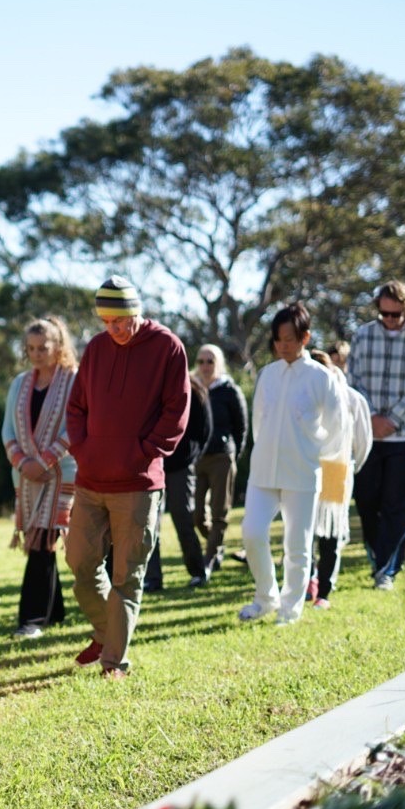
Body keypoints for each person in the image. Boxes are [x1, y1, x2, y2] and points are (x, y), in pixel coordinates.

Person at [64, 276, 189, 679]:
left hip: (138, 483)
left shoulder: (168, 347)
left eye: (120, 320)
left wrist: (144, 453)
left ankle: (114, 660)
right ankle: (107, 631)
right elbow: (77, 406)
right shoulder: (97, 348)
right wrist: (83, 449)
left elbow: (177, 411)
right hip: (91, 479)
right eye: (106, 321)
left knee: (127, 575)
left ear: (136, 311)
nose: (113, 329)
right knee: (80, 564)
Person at [239, 303, 341, 625]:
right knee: (252, 533)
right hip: (263, 472)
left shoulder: (321, 378)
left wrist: (313, 453)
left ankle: (290, 609)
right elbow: (258, 424)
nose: (282, 345)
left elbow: (336, 428)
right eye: (277, 339)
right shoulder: (268, 374)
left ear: (305, 337)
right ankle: (265, 597)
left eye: (289, 338)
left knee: (297, 546)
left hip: (302, 473)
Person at [347, 280, 405, 591]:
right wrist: (370, 419)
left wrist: (392, 420)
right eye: (383, 314)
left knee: (398, 506)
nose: (388, 320)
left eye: (395, 315)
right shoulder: (362, 336)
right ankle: (379, 555)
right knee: (367, 500)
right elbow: (352, 381)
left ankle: (387, 568)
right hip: (368, 436)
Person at [2, 317, 78, 639]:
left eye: (42, 347)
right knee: (39, 540)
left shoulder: (74, 380)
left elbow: (75, 426)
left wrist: (46, 461)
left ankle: (32, 619)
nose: (36, 353)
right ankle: (55, 611)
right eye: (30, 348)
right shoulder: (20, 383)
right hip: (27, 476)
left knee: (43, 539)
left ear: (58, 346)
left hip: (62, 472)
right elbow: (7, 429)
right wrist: (23, 462)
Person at [308, 352, 371, 610]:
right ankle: (306, 583)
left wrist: (348, 467)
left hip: (336, 470)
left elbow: (363, 441)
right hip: (305, 468)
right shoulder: (301, 397)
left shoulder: (350, 398)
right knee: (301, 531)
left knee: (330, 533)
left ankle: (324, 590)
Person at [145, 374, 211, 589]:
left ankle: (198, 572)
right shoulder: (150, 385)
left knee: (183, 517)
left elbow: (205, 428)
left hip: (180, 466)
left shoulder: (194, 389)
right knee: (150, 522)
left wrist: (193, 455)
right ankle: (153, 578)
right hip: (153, 463)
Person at [192, 344, 248, 574]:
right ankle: (217, 545)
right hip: (197, 459)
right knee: (196, 515)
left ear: (219, 364)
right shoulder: (192, 388)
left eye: (210, 361)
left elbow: (241, 427)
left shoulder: (229, 390)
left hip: (222, 457)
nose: (205, 366)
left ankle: (208, 561)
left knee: (219, 512)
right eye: (201, 361)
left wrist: (233, 453)